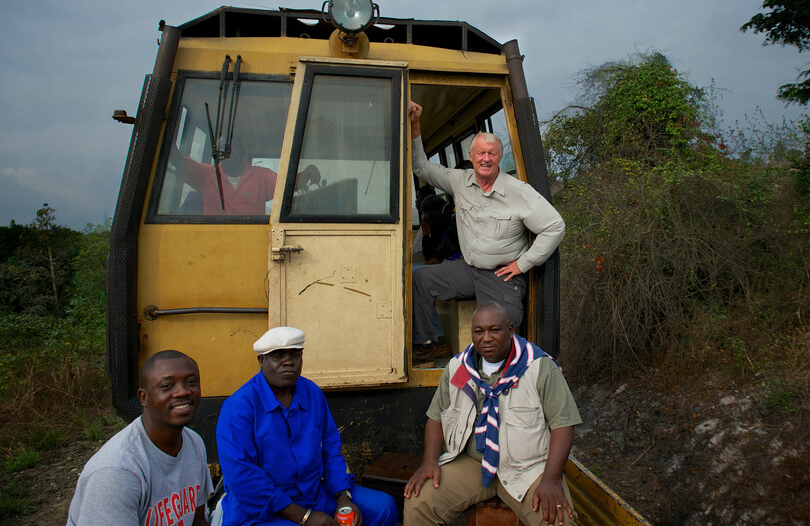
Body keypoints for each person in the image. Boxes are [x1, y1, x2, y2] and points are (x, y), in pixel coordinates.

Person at [408, 100, 565, 357]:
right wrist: (416, 124)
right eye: (480, 153)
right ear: (471, 157)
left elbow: (555, 227)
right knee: (420, 279)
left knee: (501, 333)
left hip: (500, 276)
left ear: (499, 158)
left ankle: (502, 380)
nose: (486, 158)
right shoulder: (459, 181)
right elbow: (421, 167)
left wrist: (522, 264)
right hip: (468, 270)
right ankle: (428, 344)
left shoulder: (518, 192)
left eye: (492, 153)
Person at [403, 302, 581, 526]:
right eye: (478, 331)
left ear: (510, 330)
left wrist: (552, 479)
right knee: (419, 501)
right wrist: (429, 461)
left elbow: (563, 425)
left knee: (557, 519)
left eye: (494, 330)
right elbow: (436, 417)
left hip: (526, 468)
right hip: (473, 463)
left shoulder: (539, 367)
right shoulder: (458, 367)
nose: (486, 338)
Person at [215, 327, 397, 526]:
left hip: (315, 495)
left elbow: (331, 449)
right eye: (277, 356)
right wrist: (304, 517)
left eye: (295, 354)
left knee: (384, 507)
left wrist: (343, 497)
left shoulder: (311, 392)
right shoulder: (238, 407)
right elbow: (244, 478)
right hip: (263, 510)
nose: (288, 361)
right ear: (261, 361)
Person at [67, 350, 213, 526]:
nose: (182, 392)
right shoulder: (117, 471)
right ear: (143, 398)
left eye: (191, 382)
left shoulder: (193, 443)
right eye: (167, 386)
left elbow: (198, 519)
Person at [171, 142, 320, 216]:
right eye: (224, 152)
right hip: (212, 238)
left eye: (233, 153)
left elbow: (288, 186)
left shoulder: (261, 176)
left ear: (242, 155)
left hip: (250, 240)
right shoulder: (206, 174)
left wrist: (308, 171)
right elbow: (178, 162)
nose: (229, 157)